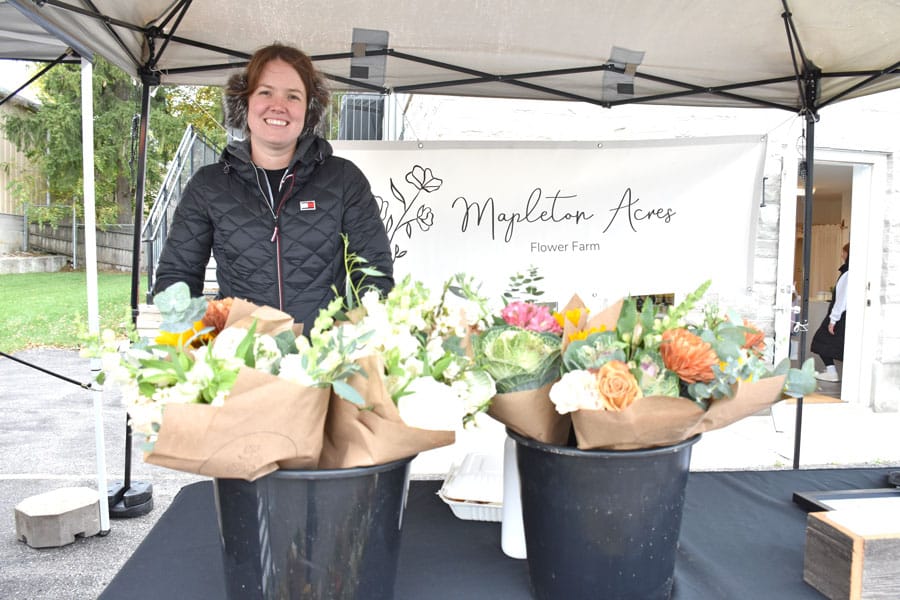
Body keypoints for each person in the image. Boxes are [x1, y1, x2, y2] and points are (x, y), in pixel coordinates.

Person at [153, 43, 394, 333]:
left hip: (325, 360)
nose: (278, 105)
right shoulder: (209, 185)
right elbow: (177, 278)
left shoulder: (343, 179)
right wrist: (196, 348)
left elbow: (374, 276)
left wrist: (352, 341)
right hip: (240, 361)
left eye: (293, 96)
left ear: (308, 108)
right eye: (265, 92)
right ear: (246, 102)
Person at [810, 243, 849, 382]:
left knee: (821, 340)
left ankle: (832, 373)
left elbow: (842, 299)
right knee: (839, 345)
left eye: (843, 252)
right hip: (843, 317)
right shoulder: (852, 271)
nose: (841, 255)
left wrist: (833, 320)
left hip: (840, 317)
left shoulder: (848, 273)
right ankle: (831, 371)